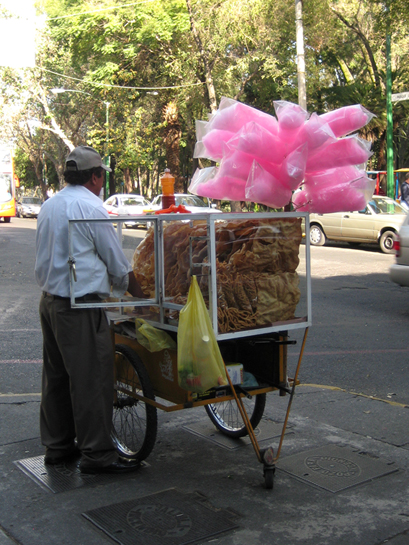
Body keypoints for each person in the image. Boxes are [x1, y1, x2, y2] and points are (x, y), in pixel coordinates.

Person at [35, 146, 144, 474]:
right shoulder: (89, 205)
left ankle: (58, 447)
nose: (101, 184)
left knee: (56, 378)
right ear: (95, 177)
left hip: (50, 302)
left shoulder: (50, 204)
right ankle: (97, 455)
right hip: (79, 307)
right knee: (91, 380)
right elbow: (117, 264)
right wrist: (142, 298)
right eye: (101, 178)